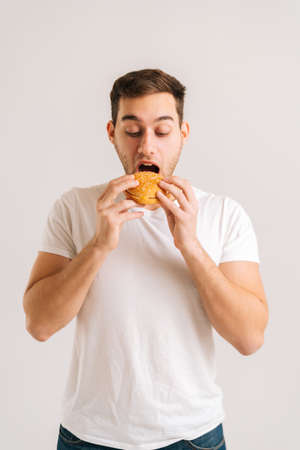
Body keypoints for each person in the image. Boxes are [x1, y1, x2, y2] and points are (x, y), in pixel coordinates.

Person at [23, 68, 269, 450]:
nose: (147, 147)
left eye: (163, 131)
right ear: (112, 133)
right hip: (88, 437)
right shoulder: (74, 207)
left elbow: (249, 337)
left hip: (192, 437)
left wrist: (189, 244)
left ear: (183, 135)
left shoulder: (224, 214)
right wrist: (100, 246)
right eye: (133, 130)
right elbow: (39, 324)